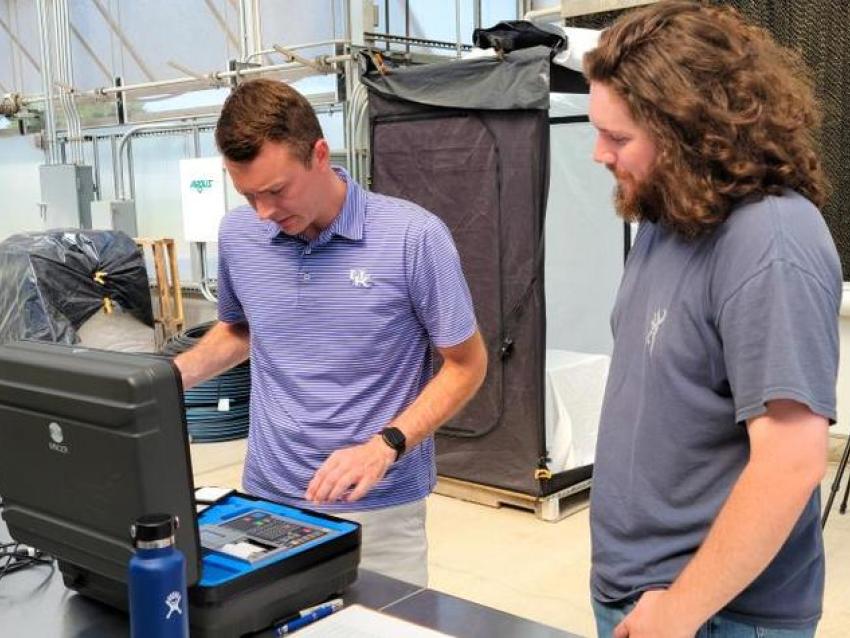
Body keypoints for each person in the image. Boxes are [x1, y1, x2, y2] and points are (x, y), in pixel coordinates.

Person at [583, 2, 841, 637]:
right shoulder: (670, 215)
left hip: (717, 613)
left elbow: (791, 461)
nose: (598, 155)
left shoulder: (770, 239)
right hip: (642, 593)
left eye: (618, 138)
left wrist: (679, 610)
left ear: (691, 132)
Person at [175, 78, 487, 587]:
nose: (265, 213)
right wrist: (170, 376)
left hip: (379, 506)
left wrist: (385, 445)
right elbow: (241, 330)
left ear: (319, 154)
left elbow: (467, 364)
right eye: (248, 195)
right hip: (265, 497)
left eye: (277, 190)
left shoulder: (413, 238)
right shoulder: (239, 236)